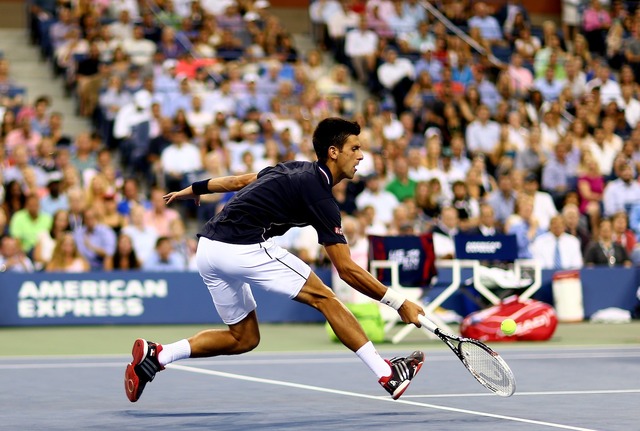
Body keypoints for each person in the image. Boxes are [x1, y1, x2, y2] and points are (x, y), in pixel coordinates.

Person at [124, 118, 425, 403]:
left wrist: (195, 189)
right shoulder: (321, 199)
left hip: (208, 250)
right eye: (355, 149)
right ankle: (387, 374)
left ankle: (158, 355)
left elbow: (239, 181)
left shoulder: (294, 167)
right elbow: (346, 270)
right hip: (241, 247)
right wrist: (400, 303)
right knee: (327, 299)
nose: (361, 156)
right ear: (333, 152)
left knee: (244, 338)